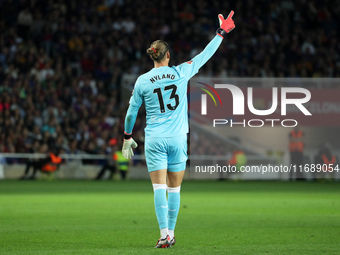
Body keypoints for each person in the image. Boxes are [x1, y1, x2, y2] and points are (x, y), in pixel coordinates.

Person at [121, 12, 235, 248]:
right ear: (168, 56)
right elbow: (205, 56)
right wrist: (221, 33)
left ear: (152, 56)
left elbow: (132, 113)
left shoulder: (142, 80)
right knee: (174, 189)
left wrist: (127, 137)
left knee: (158, 188)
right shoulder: (180, 72)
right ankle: (171, 233)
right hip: (177, 139)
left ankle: (164, 234)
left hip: (154, 138)